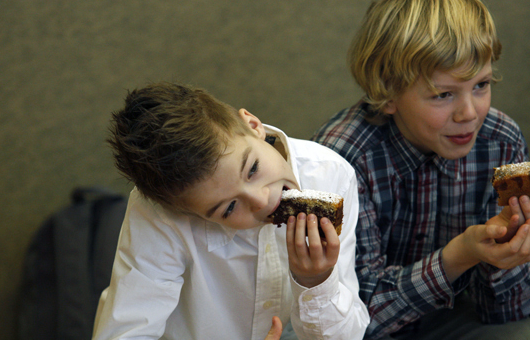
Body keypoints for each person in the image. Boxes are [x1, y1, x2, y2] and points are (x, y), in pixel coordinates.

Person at [312, 0, 530, 340]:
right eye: (443, 94)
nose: (470, 114)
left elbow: (509, 313)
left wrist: (508, 253)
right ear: (388, 93)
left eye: (481, 85)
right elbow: (352, 319)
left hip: (451, 317)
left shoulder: (502, 141)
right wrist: (459, 255)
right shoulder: (339, 158)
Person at [92, 82, 369, 340]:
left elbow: (350, 335)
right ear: (191, 214)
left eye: (253, 169)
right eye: (229, 208)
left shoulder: (330, 174)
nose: (261, 200)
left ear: (253, 125)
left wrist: (316, 281)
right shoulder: (159, 214)